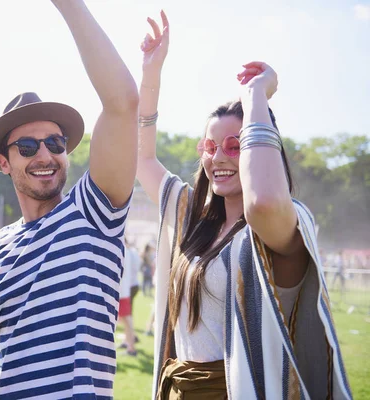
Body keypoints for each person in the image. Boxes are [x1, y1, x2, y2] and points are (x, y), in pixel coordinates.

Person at [136, 12, 351, 399]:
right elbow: (143, 160)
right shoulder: (191, 216)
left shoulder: (278, 225)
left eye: (235, 146)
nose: (218, 158)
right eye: (210, 146)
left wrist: (255, 96)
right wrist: (151, 74)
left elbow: (264, 200)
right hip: (179, 388)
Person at [0, 1, 138, 397]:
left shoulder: (91, 212)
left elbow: (122, 103)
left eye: (55, 142)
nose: (45, 155)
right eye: (27, 146)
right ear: (4, 162)